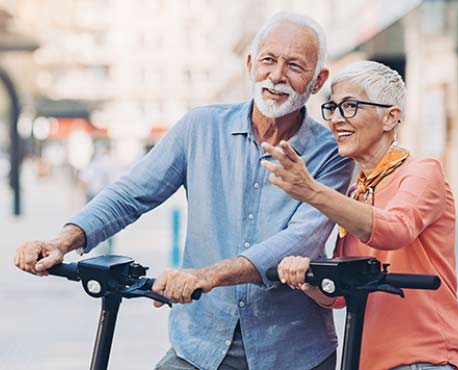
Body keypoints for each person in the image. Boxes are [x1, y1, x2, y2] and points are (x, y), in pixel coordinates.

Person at [14, 13, 354, 370]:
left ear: (318, 82)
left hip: (292, 352)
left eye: (295, 66)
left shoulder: (331, 154)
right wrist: (60, 242)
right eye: (268, 60)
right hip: (200, 345)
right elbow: (131, 194)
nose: (277, 75)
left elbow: (298, 241)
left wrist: (206, 276)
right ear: (251, 63)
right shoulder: (201, 127)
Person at [261, 60, 458, 370]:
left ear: (390, 117)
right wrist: (306, 278)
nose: (336, 119)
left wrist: (311, 191)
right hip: (367, 362)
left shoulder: (422, 172)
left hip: (425, 359)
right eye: (331, 108)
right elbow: (340, 295)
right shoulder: (355, 195)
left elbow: (395, 230)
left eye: (350, 106)